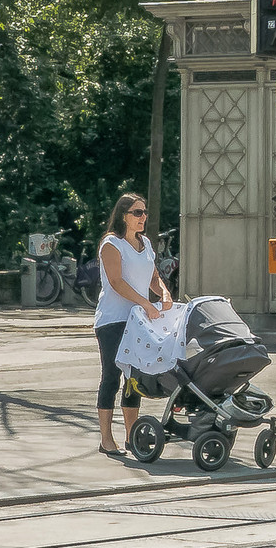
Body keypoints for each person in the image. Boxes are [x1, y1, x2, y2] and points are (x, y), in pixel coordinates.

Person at [95, 192, 171, 455]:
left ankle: (132, 436)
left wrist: (163, 293)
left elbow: (153, 276)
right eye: (137, 213)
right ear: (123, 215)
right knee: (112, 376)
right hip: (113, 319)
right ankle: (106, 438)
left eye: (145, 212)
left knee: (134, 377)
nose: (143, 218)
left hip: (138, 320)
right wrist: (146, 303)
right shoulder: (111, 244)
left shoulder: (145, 243)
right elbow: (116, 282)